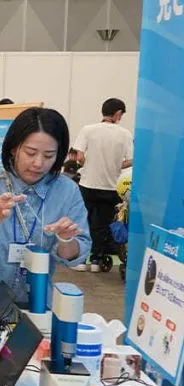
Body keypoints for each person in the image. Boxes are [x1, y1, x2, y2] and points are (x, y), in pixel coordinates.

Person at [0, 107, 90, 320]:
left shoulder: (67, 191)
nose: (38, 163)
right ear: (14, 148)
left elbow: (75, 254)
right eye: (30, 153)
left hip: (36, 312)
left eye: (49, 155)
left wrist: (65, 240)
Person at [73, 97, 133, 272]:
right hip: (111, 187)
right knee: (102, 225)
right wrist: (114, 165)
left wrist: (90, 165)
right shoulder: (125, 134)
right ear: (118, 113)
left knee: (83, 221)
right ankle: (96, 260)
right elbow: (130, 160)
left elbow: (79, 156)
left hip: (88, 184)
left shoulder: (88, 130)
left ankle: (81, 260)